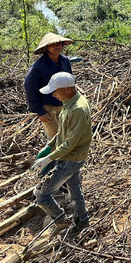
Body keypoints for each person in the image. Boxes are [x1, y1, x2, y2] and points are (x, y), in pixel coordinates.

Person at [32, 72, 92, 235]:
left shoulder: (78, 109)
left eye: (55, 91)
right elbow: (63, 133)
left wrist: (48, 159)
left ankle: (61, 221)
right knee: (74, 189)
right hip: (69, 156)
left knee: (42, 195)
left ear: (67, 89)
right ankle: (83, 219)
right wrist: (49, 146)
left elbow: (70, 143)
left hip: (70, 159)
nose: (53, 94)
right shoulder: (70, 101)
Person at [24, 33, 74, 139]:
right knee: (54, 138)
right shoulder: (38, 66)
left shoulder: (65, 61)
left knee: (67, 134)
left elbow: (70, 82)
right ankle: (54, 155)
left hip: (63, 104)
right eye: (53, 44)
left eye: (59, 44)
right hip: (47, 107)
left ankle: (66, 155)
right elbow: (30, 88)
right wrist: (40, 111)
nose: (57, 46)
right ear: (46, 47)